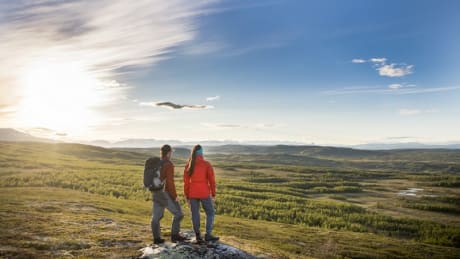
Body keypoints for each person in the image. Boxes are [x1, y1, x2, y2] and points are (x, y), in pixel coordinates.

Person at [151, 144, 186, 244]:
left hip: (155, 192)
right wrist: (175, 196)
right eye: (171, 152)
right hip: (164, 194)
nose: (171, 154)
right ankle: (175, 236)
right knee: (179, 214)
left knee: (156, 217)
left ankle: (156, 238)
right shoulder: (169, 164)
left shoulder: (156, 163)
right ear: (169, 153)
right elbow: (170, 183)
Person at [183, 145, 219, 242]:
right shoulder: (206, 164)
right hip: (204, 192)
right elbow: (212, 180)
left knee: (195, 214)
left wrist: (187, 195)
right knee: (210, 212)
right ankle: (208, 234)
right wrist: (213, 193)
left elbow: (186, 183)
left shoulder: (189, 165)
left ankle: (197, 235)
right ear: (201, 152)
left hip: (192, 193)